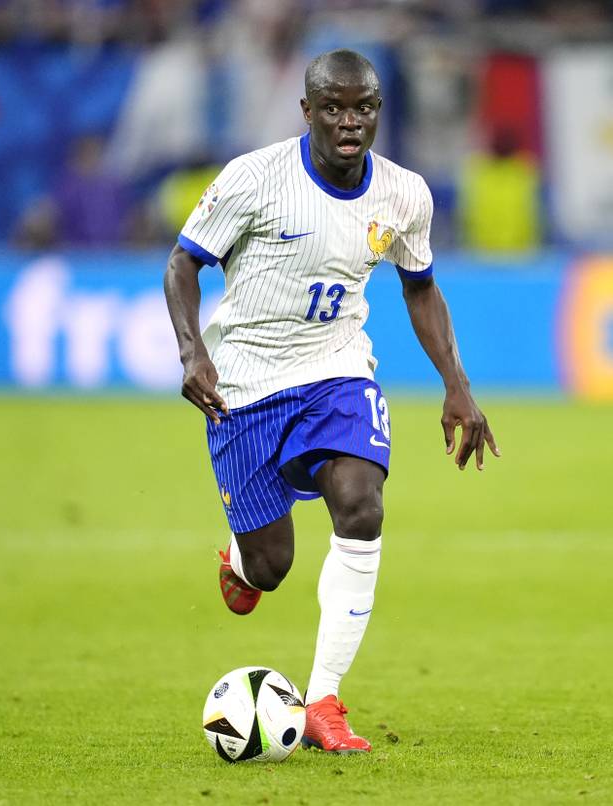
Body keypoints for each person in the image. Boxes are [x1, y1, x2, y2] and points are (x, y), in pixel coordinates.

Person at [164, 49, 500, 755]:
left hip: (337, 371)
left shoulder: (405, 194)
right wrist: (195, 353)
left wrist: (457, 384)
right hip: (246, 385)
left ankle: (323, 699)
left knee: (362, 505)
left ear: (378, 111)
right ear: (308, 111)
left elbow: (419, 286)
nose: (351, 121)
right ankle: (241, 562)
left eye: (365, 107)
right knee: (271, 566)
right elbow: (182, 264)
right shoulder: (254, 179)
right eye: (336, 107)